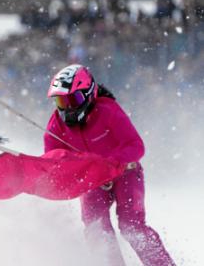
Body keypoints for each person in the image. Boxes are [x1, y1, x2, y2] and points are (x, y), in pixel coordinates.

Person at [44, 64, 175, 266]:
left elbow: (136, 146)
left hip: (126, 173)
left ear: (88, 94)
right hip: (92, 180)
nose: (68, 108)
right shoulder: (55, 125)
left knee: (131, 225)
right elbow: (52, 160)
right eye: (62, 101)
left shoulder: (108, 111)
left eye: (74, 100)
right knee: (96, 229)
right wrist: (66, 167)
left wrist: (112, 162)